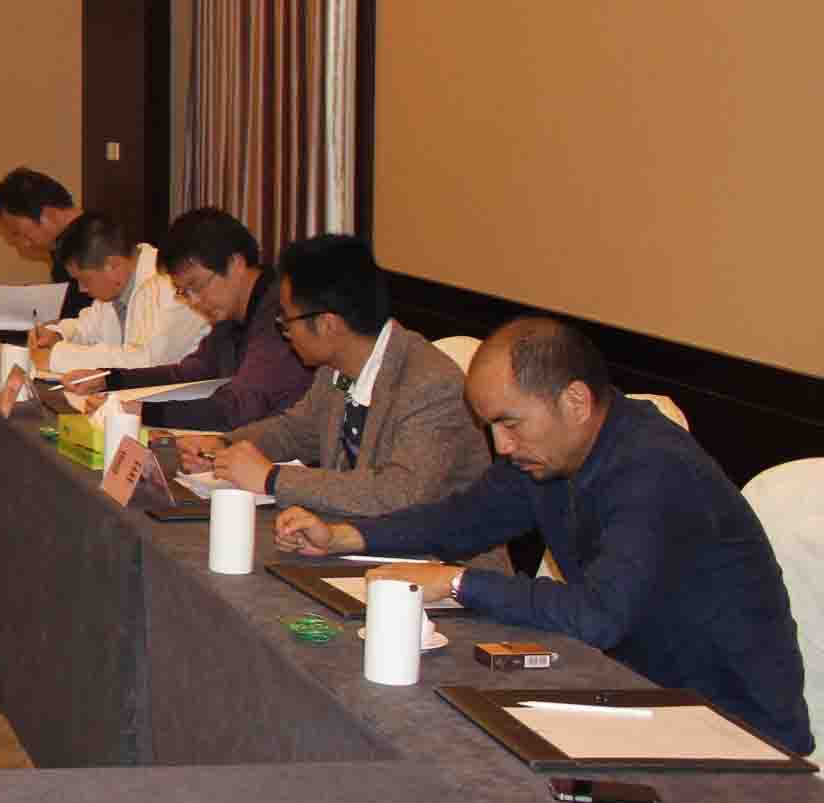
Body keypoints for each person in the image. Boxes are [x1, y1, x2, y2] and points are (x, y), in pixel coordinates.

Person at [278, 318, 812, 756]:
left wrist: (459, 582)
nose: (501, 446)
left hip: (730, 726)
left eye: (510, 424)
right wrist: (346, 536)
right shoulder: (551, 454)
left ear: (575, 402)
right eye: (490, 428)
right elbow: (460, 520)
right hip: (630, 691)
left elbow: (596, 615)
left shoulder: (655, 471)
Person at [172, 233, 488, 517]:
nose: (283, 330)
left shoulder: (431, 384)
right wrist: (224, 446)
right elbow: (295, 431)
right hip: (357, 536)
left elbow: (398, 493)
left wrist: (272, 479)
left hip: (439, 557)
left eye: (286, 320)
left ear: (326, 325)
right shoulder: (336, 367)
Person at [69, 206, 309, 428]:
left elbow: (239, 406)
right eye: (184, 292)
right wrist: (109, 379)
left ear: (235, 264)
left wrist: (142, 412)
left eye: (196, 286)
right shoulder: (231, 314)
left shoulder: (283, 311)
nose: (194, 301)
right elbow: (191, 371)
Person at [29, 211, 206, 374]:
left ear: (113, 265)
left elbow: (148, 362)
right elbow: (86, 328)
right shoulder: (115, 287)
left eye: (85, 280)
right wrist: (58, 334)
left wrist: (58, 357)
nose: (82, 289)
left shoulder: (172, 284)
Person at [0, 168, 88, 319]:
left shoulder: (92, 246)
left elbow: (80, 319)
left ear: (48, 215)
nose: (24, 245)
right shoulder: (64, 248)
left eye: (17, 233)